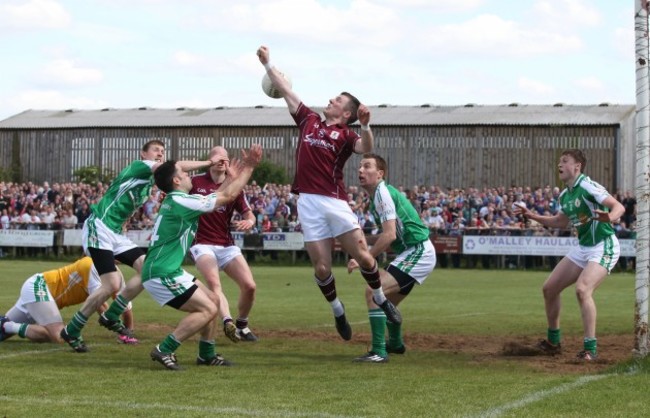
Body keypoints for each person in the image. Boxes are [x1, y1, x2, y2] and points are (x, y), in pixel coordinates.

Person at [256, 46, 401, 341]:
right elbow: (286, 90)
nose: (331, 100)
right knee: (322, 267)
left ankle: (381, 299)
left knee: (363, 256)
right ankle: (337, 310)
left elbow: (367, 147)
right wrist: (269, 63)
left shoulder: (347, 134)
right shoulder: (308, 120)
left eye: (337, 100)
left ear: (345, 113)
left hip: (333, 202)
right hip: (307, 202)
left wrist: (365, 125)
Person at [60, 139, 221, 353]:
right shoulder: (140, 166)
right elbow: (175, 168)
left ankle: (111, 314)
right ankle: (73, 329)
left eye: (163, 152)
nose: (160, 154)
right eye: (156, 150)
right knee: (110, 285)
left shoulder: (148, 185)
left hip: (115, 233)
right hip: (99, 226)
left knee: (149, 269)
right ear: (142, 154)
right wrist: (210, 162)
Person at [144, 145, 262, 370]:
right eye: (184, 174)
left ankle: (206, 354)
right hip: (161, 272)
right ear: (176, 182)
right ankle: (165, 348)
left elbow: (219, 194)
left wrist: (232, 178)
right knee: (207, 309)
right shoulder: (181, 200)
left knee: (215, 301)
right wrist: (250, 167)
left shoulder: (178, 199)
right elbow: (226, 196)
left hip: (168, 270)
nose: (188, 176)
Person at [513, 149, 624, 361]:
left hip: (603, 245)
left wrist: (609, 217)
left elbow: (617, 206)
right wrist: (531, 215)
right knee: (549, 289)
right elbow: (560, 222)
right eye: (559, 162)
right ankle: (553, 342)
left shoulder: (587, 185)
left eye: (565, 161)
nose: (560, 165)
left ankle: (590, 349)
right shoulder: (565, 194)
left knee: (582, 290)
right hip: (583, 247)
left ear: (577, 166)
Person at [347, 154, 437, 362]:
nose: (360, 170)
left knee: (373, 291)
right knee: (385, 301)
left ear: (380, 174)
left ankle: (379, 351)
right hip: (414, 251)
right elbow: (389, 235)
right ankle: (395, 344)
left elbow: (389, 235)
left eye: (366, 166)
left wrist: (364, 258)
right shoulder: (376, 198)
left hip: (418, 251)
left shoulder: (382, 194)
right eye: (359, 167)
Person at [189, 146, 260, 343]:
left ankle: (242, 325)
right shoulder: (194, 182)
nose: (222, 161)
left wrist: (250, 222)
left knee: (250, 286)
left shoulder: (236, 186)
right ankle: (228, 321)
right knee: (214, 283)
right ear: (209, 160)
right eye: (217, 157)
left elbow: (249, 213)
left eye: (226, 158)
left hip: (226, 244)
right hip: (201, 243)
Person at [0, 257, 137, 345]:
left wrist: (127, 333)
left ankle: (5, 325)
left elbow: (125, 304)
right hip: (39, 287)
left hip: (40, 293)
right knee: (60, 336)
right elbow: (99, 305)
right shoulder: (92, 265)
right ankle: (7, 325)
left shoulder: (115, 273)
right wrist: (120, 330)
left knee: (2, 336)